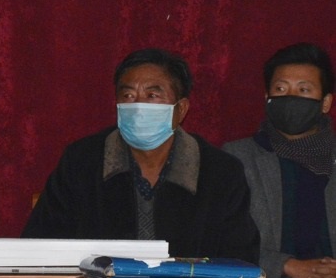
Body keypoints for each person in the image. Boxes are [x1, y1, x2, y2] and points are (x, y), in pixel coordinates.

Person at [24, 48, 259, 262]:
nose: (137, 107)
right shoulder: (82, 161)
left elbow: (240, 261)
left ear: (181, 109)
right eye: (128, 96)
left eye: (152, 95)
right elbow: (41, 244)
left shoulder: (220, 171)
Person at [223, 43, 336, 278]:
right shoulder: (236, 159)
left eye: (304, 90)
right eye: (281, 89)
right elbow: (223, 240)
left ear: (325, 102)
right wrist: (287, 266)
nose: (291, 97)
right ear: (267, 98)